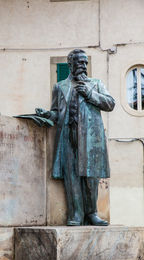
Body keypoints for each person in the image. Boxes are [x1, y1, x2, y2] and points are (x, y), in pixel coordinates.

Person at [36, 49, 115, 226]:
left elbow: (110, 104)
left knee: (91, 178)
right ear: (70, 64)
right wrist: (47, 115)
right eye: (80, 62)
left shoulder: (96, 84)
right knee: (71, 178)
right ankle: (76, 214)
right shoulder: (59, 87)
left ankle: (92, 213)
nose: (83, 66)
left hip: (91, 139)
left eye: (85, 62)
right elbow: (57, 114)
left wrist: (89, 94)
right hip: (68, 136)